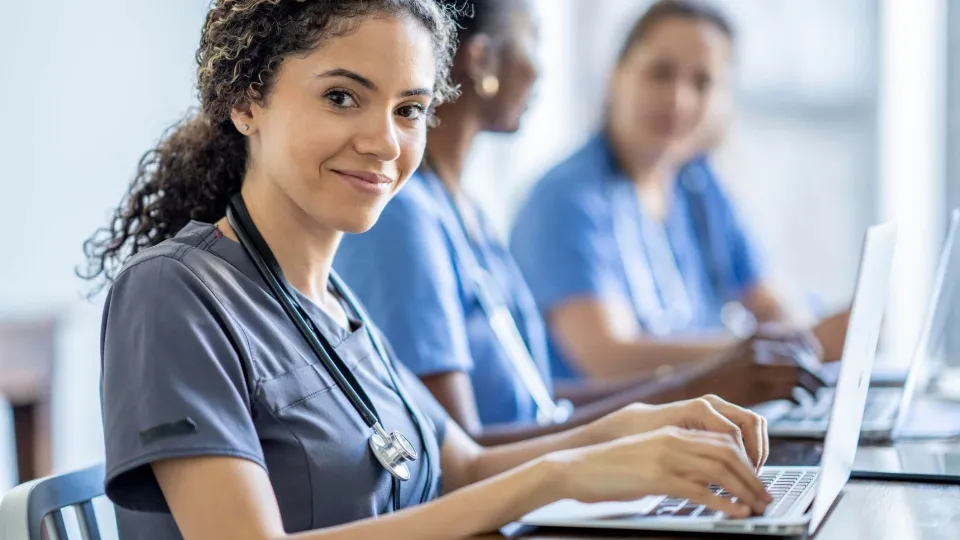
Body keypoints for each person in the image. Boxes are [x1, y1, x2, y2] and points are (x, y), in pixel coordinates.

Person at [81, 2, 775, 538]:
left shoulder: (332, 302)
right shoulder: (172, 292)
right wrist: (564, 473)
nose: (386, 142)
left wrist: (634, 431)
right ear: (246, 101)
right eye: (342, 97)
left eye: (409, 109)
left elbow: (462, 464)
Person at [334, 0, 825, 444]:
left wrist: (698, 395)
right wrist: (702, 385)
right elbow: (457, 458)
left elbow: (539, 402)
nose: (539, 69)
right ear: (482, 61)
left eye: (702, 82)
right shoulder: (406, 219)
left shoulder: (465, 210)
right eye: (532, 41)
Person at [509, 0, 849, 384]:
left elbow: (772, 304)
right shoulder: (565, 200)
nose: (678, 100)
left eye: (702, 83)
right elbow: (607, 357)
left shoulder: (699, 186)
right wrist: (785, 346)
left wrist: (813, 336)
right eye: (660, 73)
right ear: (616, 75)